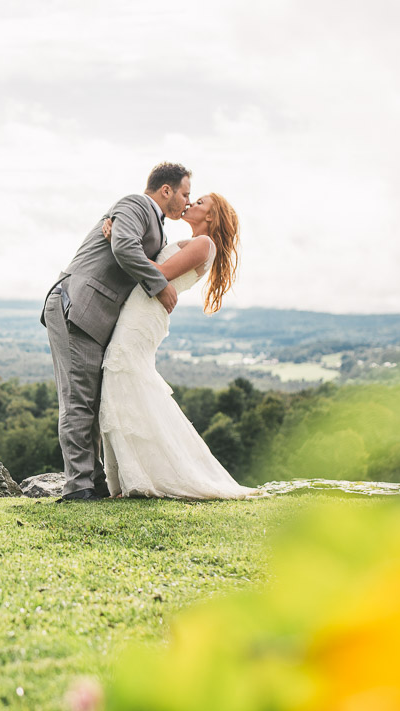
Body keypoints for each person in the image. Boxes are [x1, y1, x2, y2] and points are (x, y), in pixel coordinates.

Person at [41, 163, 189, 501]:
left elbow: (125, 247)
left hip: (96, 315)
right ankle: (78, 486)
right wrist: (159, 285)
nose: (186, 201)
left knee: (91, 401)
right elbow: (124, 247)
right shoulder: (135, 204)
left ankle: (94, 481)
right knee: (79, 400)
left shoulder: (157, 226)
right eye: (184, 193)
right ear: (165, 190)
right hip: (76, 306)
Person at [98, 192, 257, 498]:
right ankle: (128, 476)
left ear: (210, 217)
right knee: (122, 381)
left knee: (122, 378)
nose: (190, 203)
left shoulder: (204, 244)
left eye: (199, 203)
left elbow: (158, 275)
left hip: (144, 315)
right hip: (141, 310)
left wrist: (117, 239)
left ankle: (143, 475)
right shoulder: (194, 242)